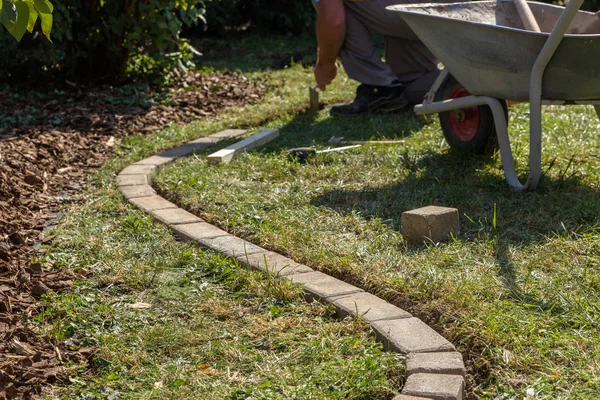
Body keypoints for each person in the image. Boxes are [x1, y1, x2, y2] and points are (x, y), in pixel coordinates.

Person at [312, 0, 442, 116]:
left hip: (424, 9)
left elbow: (334, 20)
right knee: (413, 87)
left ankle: (380, 85)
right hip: (452, 10)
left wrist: (326, 63)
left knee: (334, 4)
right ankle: (457, 83)